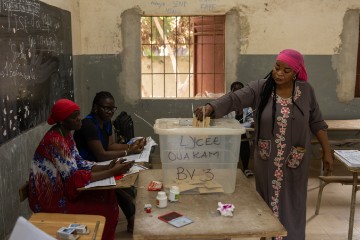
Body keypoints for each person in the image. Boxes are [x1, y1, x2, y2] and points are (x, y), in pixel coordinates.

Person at [194, 49, 333, 240]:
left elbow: (317, 122)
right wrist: (211, 107)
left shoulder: (306, 92)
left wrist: (327, 151)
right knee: (267, 203)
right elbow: (235, 98)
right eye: (277, 67)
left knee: (294, 203)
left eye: (286, 70)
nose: (279, 73)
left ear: (296, 73)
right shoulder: (261, 88)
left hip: (295, 162)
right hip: (267, 162)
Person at [28, 98, 134, 240]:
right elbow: (74, 178)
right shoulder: (56, 141)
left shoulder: (66, 135)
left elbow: (80, 162)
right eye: (74, 116)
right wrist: (112, 172)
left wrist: (107, 166)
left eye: (78, 114)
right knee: (103, 209)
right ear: (62, 121)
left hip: (64, 188)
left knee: (108, 195)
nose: (79, 118)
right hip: (51, 198)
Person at [73, 91, 146, 233]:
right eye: (106, 108)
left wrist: (132, 146)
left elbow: (109, 146)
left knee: (126, 175)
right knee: (118, 184)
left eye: (112, 108)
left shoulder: (106, 123)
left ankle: (133, 220)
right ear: (95, 108)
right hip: (87, 167)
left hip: (99, 165)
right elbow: (101, 155)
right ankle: (132, 221)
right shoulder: (88, 124)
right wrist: (128, 151)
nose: (110, 112)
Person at [225, 81, 254, 177]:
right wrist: (240, 125)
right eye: (235, 90)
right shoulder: (227, 105)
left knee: (244, 143)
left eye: (240, 90)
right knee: (229, 148)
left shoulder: (248, 106)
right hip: (230, 135)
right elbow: (225, 122)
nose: (238, 93)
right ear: (231, 92)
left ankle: (246, 168)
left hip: (243, 134)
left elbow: (251, 122)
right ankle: (229, 169)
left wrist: (239, 126)